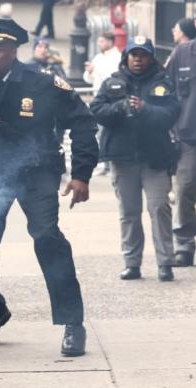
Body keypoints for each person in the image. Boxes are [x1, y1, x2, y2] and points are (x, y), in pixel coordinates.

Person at [0, 17, 99, 357]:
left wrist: (81, 174)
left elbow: (83, 123)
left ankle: (72, 323)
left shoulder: (42, 82)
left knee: (47, 238)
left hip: (37, 172)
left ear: (13, 50)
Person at [90, 37, 180, 282]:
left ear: (151, 58)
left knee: (159, 208)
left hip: (155, 159)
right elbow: (96, 111)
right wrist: (120, 107)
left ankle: (165, 263)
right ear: (126, 57)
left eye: (143, 55)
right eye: (134, 55)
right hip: (123, 159)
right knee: (129, 213)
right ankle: (132, 264)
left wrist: (145, 109)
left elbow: (172, 113)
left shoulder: (163, 83)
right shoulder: (112, 83)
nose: (138, 60)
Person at [166, 29, 196, 267]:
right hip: (188, 136)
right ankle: (185, 245)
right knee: (185, 189)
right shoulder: (181, 53)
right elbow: (165, 91)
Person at [84, 32, 120, 177]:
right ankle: (105, 164)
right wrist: (89, 72)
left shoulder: (117, 57)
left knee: (109, 132)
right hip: (99, 100)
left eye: (102, 41)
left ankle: (112, 164)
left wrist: (96, 70)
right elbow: (88, 79)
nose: (100, 44)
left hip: (112, 101)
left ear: (110, 42)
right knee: (99, 133)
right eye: (99, 41)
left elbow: (112, 77)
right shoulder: (98, 58)